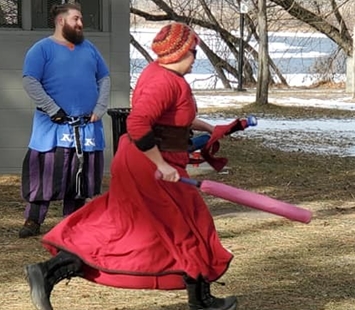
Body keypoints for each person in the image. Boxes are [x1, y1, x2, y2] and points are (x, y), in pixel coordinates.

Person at [24, 22, 238, 310]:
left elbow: (174, 119)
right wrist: (160, 164)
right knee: (190, 225)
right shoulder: (163, 82)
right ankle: (201, 301)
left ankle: (47, 272)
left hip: (147, 161)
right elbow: (137, 124)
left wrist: (213, 130)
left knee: (125, 225)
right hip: (148, 165)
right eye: (194, 51)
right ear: (180, 52)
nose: (196, 57)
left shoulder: (164, 76)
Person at [19, 3, 110, 238]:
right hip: (53, 127)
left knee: (79, 177)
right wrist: (52, 108)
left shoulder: (89, 48)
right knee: (44, 173)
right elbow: (30, 81)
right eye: (76, 19)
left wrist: (100, 107)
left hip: (86, 127)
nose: (81, 24)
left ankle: (73, 222)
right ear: (61, 21)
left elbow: (105, 78)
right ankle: (33, 220)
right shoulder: (41, 49)